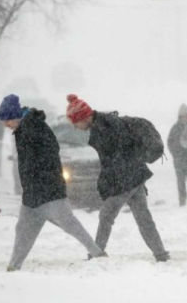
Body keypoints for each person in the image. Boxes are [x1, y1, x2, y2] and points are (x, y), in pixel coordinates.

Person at [0, 94, 106, 271]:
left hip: (48, 191)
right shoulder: (24, 129)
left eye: (6, 120)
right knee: (23, 230)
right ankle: (13, 266)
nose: (5, 125)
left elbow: (50, 153)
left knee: (70, 225)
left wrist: (42, 176)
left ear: (14, 116)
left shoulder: (35, 128)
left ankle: (97, 253)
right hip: (33, 194)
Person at [65, 94, 169, 261]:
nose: (76, 127)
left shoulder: (105, 127)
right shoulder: (105, 123)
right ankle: (161, 254)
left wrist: (112, 181)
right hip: (134, 175)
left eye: (75, 122)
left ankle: (96, 254)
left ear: (83, 117)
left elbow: (116, 157)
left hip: (126, 178)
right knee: (143, 217)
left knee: (106, 216)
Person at [167, 104, 187, 206]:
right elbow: (169, 142)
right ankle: (182, 201)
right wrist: (175, 154)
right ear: (180, 117)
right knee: (181, 182)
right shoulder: (175, 128)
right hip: (179, 160)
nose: (185, 118)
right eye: (183, 116)